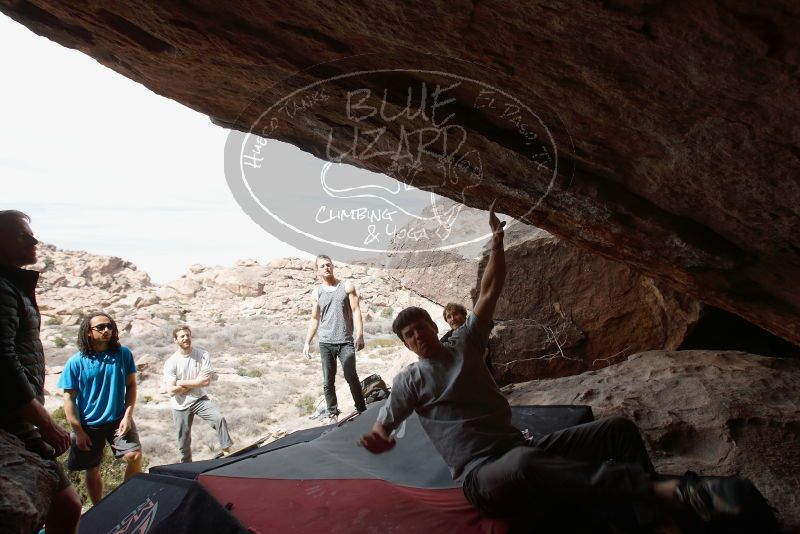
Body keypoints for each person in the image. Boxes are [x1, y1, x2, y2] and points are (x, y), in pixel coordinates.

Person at [359, 202, 775, 531]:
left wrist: (498, 242)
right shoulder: (410, 380)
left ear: (434, 326)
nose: (417, 336)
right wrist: (379, 436)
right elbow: (388, 420)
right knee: (524, 465)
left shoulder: (465, 343)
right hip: (483, 478)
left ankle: (649, 516)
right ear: (406, 345)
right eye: (409, 335)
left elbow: (490, 291)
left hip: (522, 449)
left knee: (617, 430)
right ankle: (667, 493)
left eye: (420, 327)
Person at [0, 210, 82, 532]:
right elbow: (3, 362)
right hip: (12, 418)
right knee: (65, 503)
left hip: (15, 414)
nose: (34, 241)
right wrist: (45, 422)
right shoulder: (3, 289)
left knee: (63, 504)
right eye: (23, 235)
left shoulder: (11, 286)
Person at [58, 311, 143, 504]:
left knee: (134, 455)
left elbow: (131, 385)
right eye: (101, 327)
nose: (107, 330)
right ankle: (99, 508)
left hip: (118, 420)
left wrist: (127, 415)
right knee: (92, 467)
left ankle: (128, 501)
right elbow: (69, 399)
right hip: (89, 424)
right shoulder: (76, 362)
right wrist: (78, 431)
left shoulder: (123, 354)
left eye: (110, 326)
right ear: (88, 332)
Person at [302, 255, 367, 421]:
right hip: (325, 342)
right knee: (328, 381)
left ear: (332, 266)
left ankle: (362, 409)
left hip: (345, 341)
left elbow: (356, 311)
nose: (326, 267)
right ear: (317, 270)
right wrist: (307, 342)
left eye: (328, 264)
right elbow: (315, 318)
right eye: (322, 266)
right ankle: (332, 413)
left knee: (351, 376)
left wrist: (360, 335)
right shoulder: (317, 292)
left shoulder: (346, 286)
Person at [163, 325, 233, 462]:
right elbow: (171, 391)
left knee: (219, 419)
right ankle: (186, 466)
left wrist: (181, 382)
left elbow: (205, 382)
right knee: (183, 442)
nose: (186, 338)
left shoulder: (202, 354)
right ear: (175, 340)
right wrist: (196, 382)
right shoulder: (171, 362)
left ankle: (227, 453)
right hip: (180, 404)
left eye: (187, 335)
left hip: (199, 398)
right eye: (182, 336)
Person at [441, 302, 495, 377]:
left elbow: (483, 355)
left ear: (464, 315)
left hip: (483, 378)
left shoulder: (474, 330)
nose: (453, 319)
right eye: (449, 317)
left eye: (455, 314)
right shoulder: (447, 337)